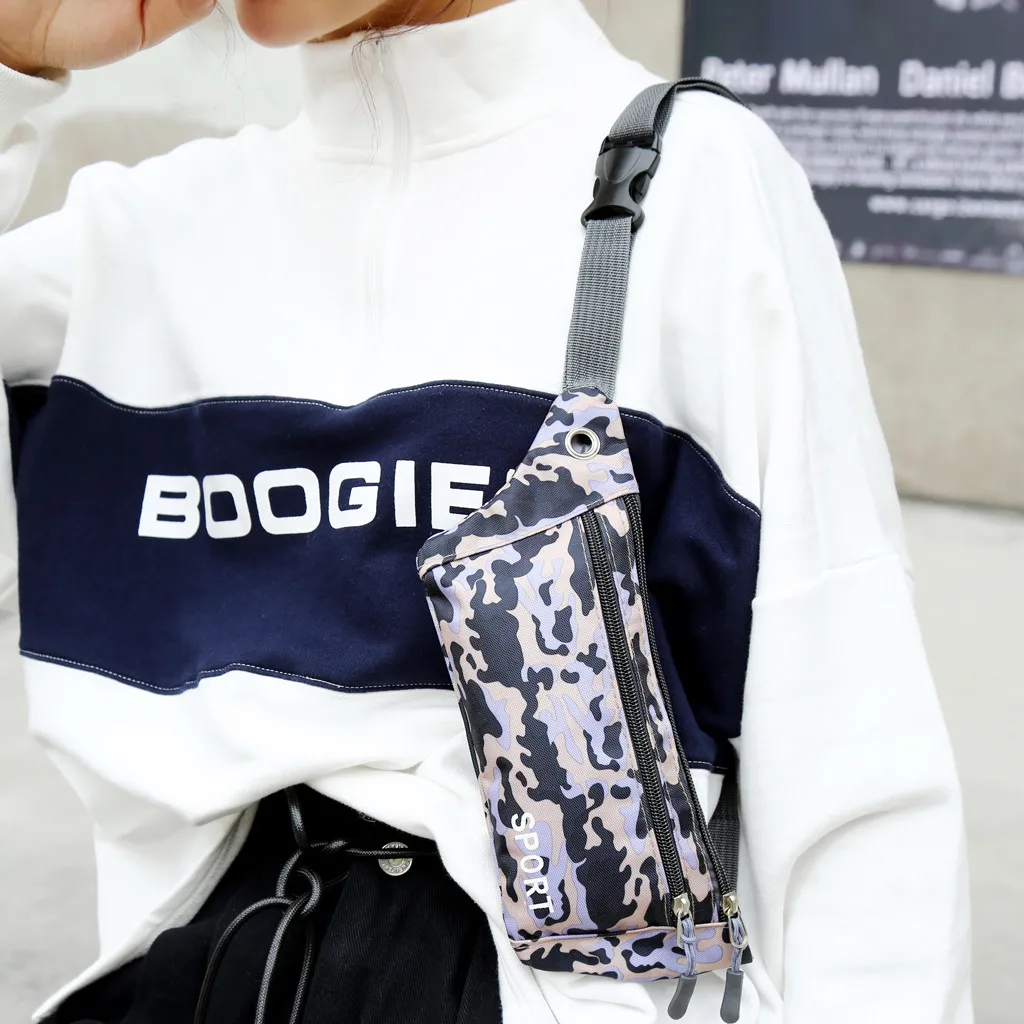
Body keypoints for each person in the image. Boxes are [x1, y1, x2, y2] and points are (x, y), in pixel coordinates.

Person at [0, 1, 973, 1022]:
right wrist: (15, 49)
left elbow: (849, 754)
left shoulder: (693, 184)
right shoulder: (138, 238)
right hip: (195, 975)